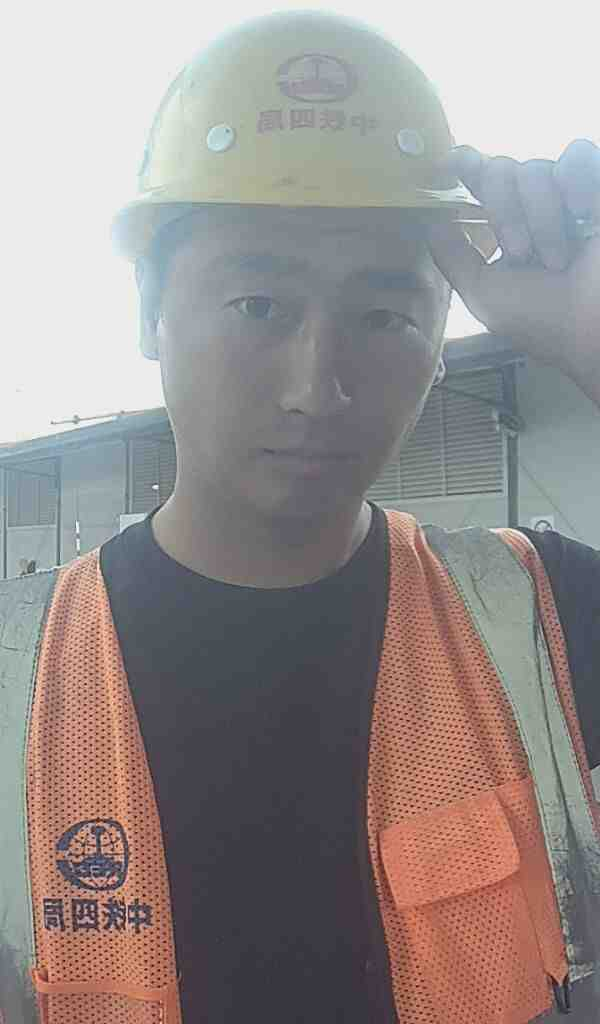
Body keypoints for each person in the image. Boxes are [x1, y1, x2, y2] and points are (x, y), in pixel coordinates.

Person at [1, 11, 600, 1024]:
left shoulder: (539, 622)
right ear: (148, 311)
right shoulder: (16, 677)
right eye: (260, 306)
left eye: (383, 317)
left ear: (442, 339)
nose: (316, 387)